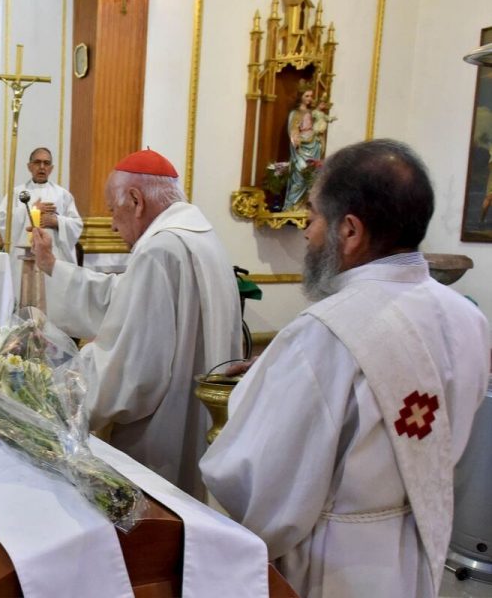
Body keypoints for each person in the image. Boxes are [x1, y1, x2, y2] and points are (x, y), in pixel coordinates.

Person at [200, 139, 490, 598]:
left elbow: (261, 479)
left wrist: (266, 386)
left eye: (313, 216)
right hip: (417, 544)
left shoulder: (326, 333)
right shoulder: (468, 317)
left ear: (349, 231)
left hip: (333, 565)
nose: (308, 232)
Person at [31, 149, 242, 497]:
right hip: (202, 414)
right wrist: (55, 266)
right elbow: (125, 297)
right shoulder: (199, 235)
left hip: (164, 427)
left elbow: (133, 369)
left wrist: (61, 391)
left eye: (113, 211)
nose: (113, 224)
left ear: (135, 200)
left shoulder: (159, 251)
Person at [0, 147, 83, 294]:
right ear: (29, 166)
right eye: (37, 162)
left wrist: (56, 222)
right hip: (23, 258)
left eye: (46, 163)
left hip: (54, 255)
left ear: (52, 168)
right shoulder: (17, 193)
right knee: (24, 294)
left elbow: (76, 224)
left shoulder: (62, 194)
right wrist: (33, 209)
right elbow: (4, 222)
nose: (42, 167)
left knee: (51, 296)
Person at [283, 84, 322, 211]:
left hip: (313, 145)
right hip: (301, 149)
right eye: (307, 96)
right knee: (300, 173)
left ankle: (306, 205)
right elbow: (293, 130)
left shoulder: (312, 112)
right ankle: (293, 206)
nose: (309, 98)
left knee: (311, 175)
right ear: (300, 97)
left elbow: (319, 124)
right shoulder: (296, 113)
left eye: (311, 96)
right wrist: (297, 140)